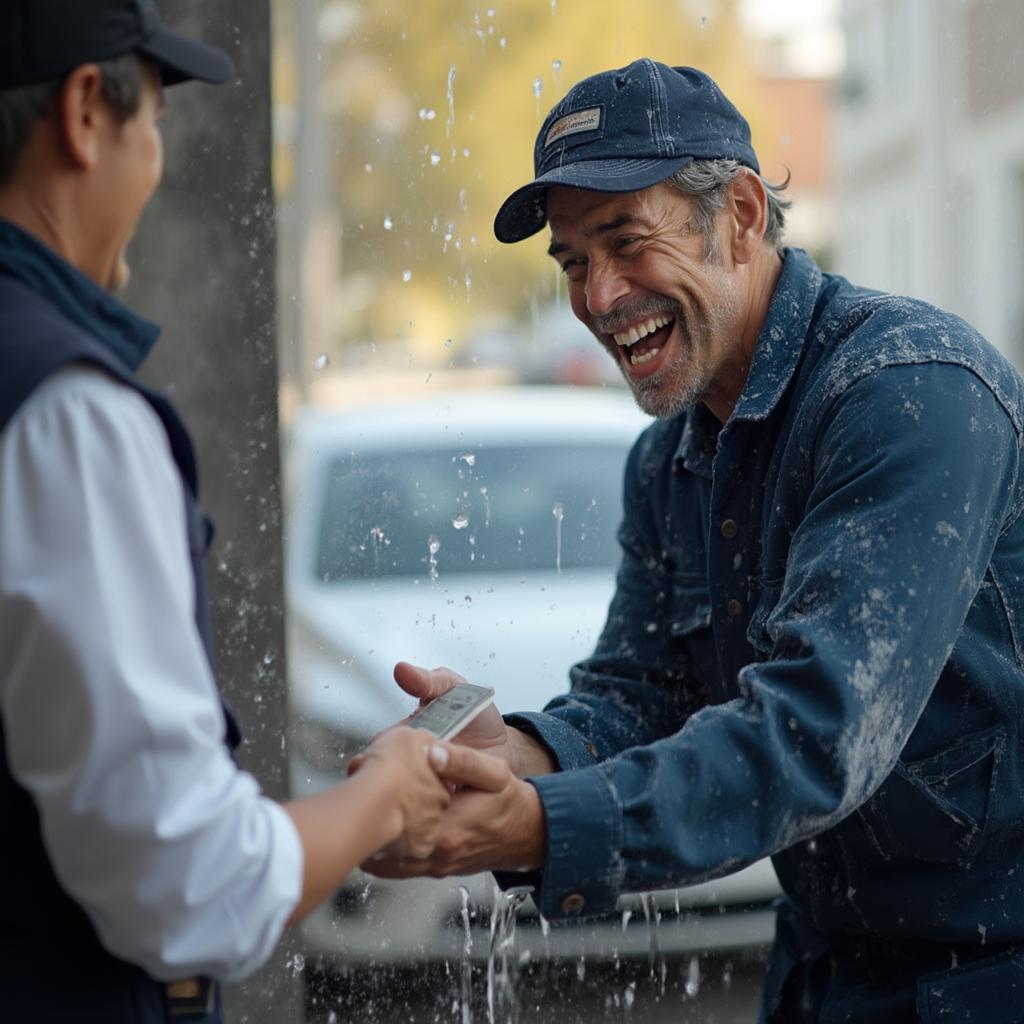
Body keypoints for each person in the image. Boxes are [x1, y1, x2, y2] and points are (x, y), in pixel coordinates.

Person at [367, 59, 1024, 1022]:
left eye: (626, 241)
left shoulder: (911, 396)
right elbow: (640, 694)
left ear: (745, 213)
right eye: (574, 262)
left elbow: (815, 735)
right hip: (818, 974)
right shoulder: (666, 462)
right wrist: (512, 755)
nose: (597, 296)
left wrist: (540, 827)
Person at [0, 3, 507, 1021]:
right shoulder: (72, 417)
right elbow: (188, 886)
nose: (155, 165)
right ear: (87, 112)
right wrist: (383, 794)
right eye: (156, 127)